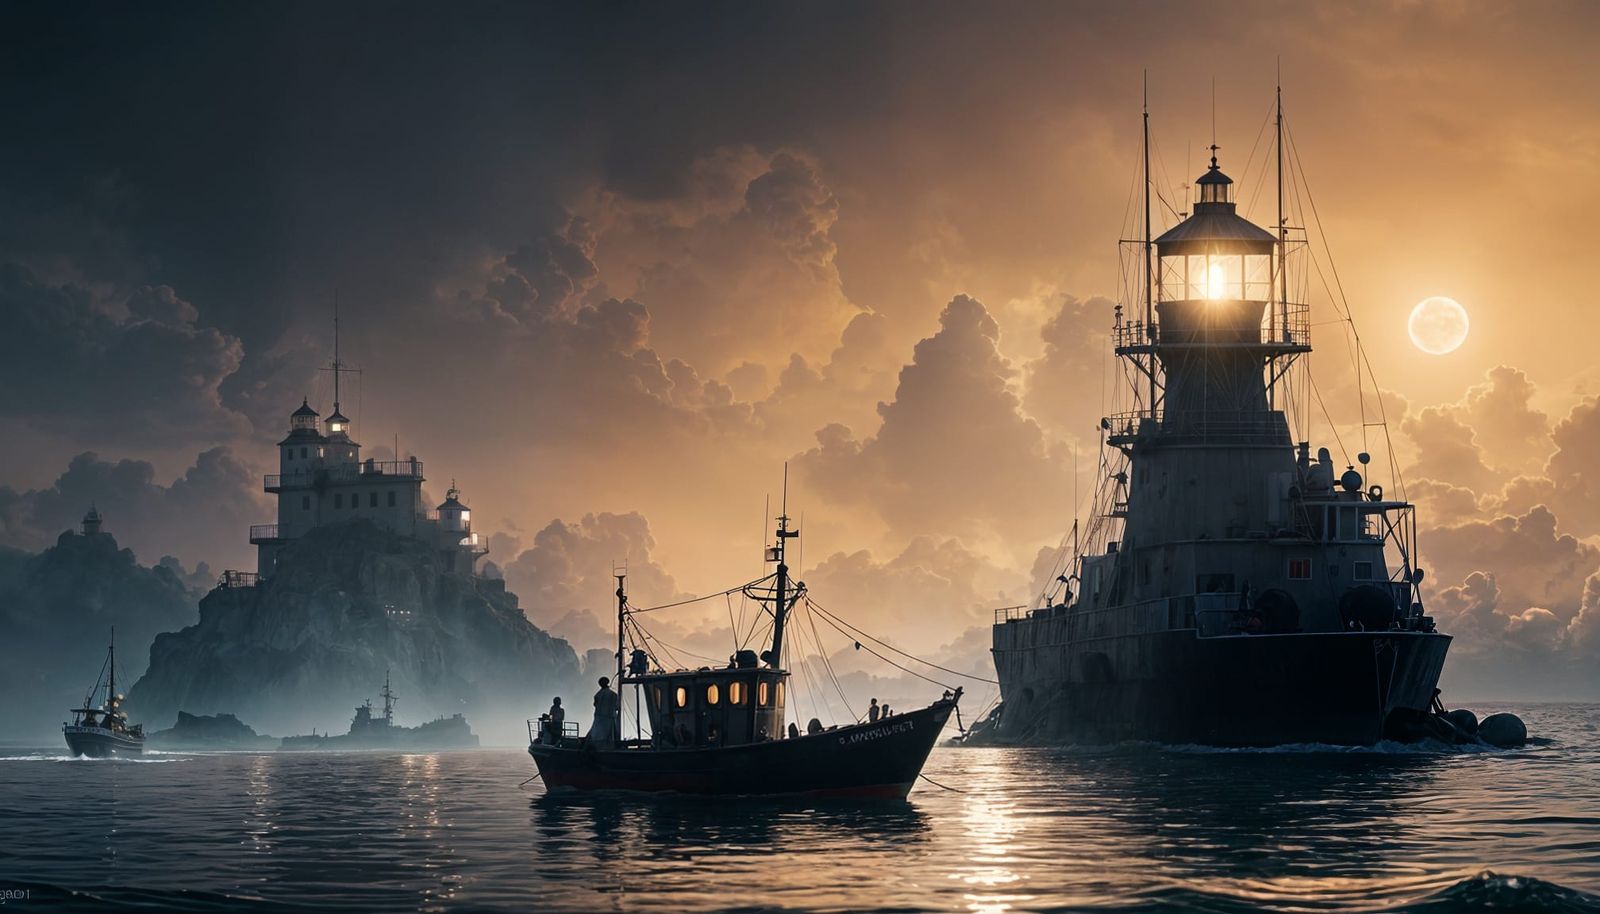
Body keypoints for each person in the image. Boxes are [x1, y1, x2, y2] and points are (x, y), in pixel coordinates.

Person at [586, 677, 619, 747]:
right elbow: (617, 707)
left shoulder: (598, 695)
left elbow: (595, 704)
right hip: (611, 718)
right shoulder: (614, 695)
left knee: (597, 736)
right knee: (611, 736)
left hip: (600, 719)